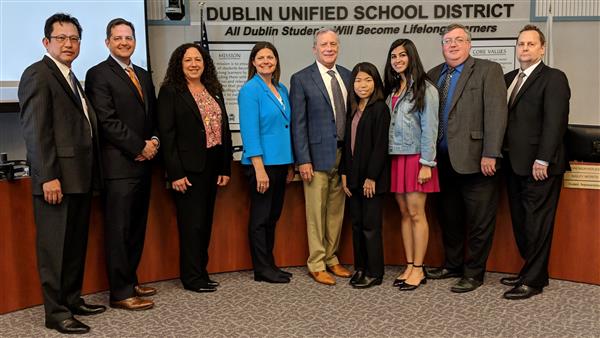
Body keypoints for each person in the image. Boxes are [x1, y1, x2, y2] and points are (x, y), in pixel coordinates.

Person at [18, 13, 105, 334]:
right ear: (46, 42)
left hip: (79, 177)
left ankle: (71, 299)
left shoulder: (70, 76)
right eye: (61, 38)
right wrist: (47, 177)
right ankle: (56, 313)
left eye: (74, 39)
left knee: (73, 245)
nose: (69, 44)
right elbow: (36, 132)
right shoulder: (38, 75)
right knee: (54, 249)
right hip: (56, 180)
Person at [426, 24, 508, 293]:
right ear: (442, 46)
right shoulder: (433, 74)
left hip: (476, 160)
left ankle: (473, 273)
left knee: (479, 220)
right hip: (442, 161)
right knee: (449, 217)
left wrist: (490, 152)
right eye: (447, 41)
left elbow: (496, 114)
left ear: (469, 44)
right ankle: (452, 265)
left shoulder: (488, 70)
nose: (452, 45)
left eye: (458, 40)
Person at [85, 18, 157, 310]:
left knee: (136, 228)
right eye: (118, 38)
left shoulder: (142, 74)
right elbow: (106, 120)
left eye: (129, 37)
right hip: (118, 167)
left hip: (144, 164)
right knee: (119, 230)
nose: (124, 42)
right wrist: (139, 146)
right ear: (107, 42)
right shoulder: (98, 74)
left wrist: (152, 142)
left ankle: (131, 279)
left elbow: (151, 116)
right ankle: (120, 293)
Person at [501, 25, 570, 300]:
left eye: (531, 44)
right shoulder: (508, 79)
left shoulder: (553, 78)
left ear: (542, 48)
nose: (525, 48)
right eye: (521, 44)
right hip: (512, 163)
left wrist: (543, 158)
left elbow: (555, 123)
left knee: (537, 223)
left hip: (539, 165)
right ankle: (529, 270)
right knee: (521, 221)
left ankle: (534, 280)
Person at [157, 43, 232, 293]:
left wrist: (225, 167)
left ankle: (202, 271)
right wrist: (175, 173)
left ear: (205, 63)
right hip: (187, 170)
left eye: (198, 60)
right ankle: (191, 277)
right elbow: (167, 135)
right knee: (192, 225)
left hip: (212, 166)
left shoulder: (213, 89)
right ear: (179, 63)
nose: (193, 64)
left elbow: (223, 130)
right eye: (188, 60)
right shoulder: (170, 91)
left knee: (205, 223)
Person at [290, 27, 353, 285]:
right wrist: (303, 159)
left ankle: (331, 257)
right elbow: (298, 123)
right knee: (316, 211)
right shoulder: (302, 78)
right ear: (314, 48)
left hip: (343, 155)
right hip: (315, 157)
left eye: (333, 44)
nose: (329, 48)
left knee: (336, 211)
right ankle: (316, 262)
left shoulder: (349, 76)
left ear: (338, 48)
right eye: (324, 44)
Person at [383, 39, 440, 291]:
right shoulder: (393, 90)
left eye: (402, 55)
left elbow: (430, 128)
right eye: (394, 56)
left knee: (417, 214)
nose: (397, 60)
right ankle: (409, 264)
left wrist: (427, 163)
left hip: (417, 158)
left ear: (412, 57)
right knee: (404, 214)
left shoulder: (425, 89)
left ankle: (419, 268)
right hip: (396, 157)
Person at [238, 42, 295, 283]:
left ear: (276, 60)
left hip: (281, 163)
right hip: (261, 165)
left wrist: (291, 164)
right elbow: (249, 131)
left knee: (272, 217)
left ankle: (270, 264)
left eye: (270, 57)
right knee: (260, 219)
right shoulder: (250, 90)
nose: (265, 61)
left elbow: (286, 128)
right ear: (253, 62)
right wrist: (259, 168)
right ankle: (262, 269)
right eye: (260, 58)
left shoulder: (280, 88)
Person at [340, 62, 390, 289]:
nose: (362, 85)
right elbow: (348, 146)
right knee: (357, 226)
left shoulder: (380, 108)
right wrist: (343, 174)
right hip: (353, 179)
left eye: (368, 80)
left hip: (371, 180)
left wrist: (371, 177)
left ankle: (374, 272)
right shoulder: (353, 108)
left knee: (371, 227)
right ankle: (361, 267)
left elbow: (381, 146)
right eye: (358, 80)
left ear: (375, 83)